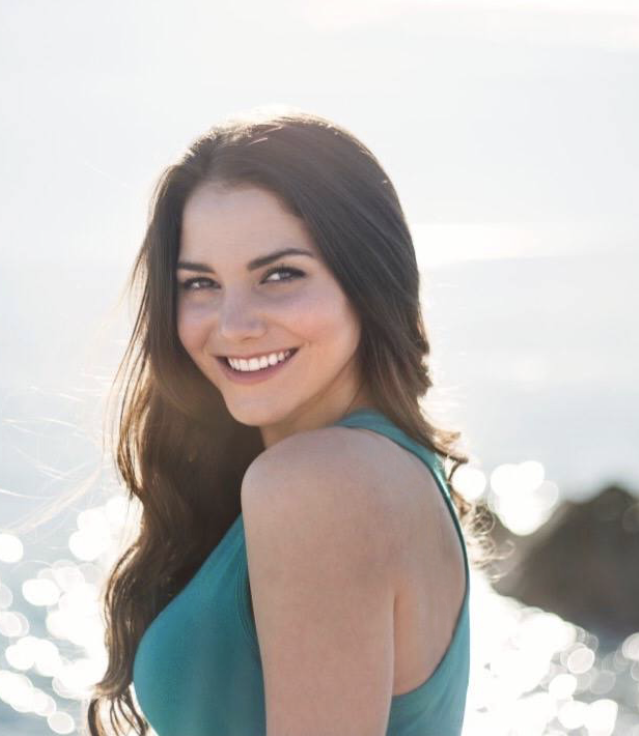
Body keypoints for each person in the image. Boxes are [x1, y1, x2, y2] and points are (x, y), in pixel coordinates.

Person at [87, 107, 490, 735]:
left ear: (367, 281)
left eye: (280, 275)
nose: (234, 324)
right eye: (200, 284)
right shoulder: (385, 464)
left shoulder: (320, 484)